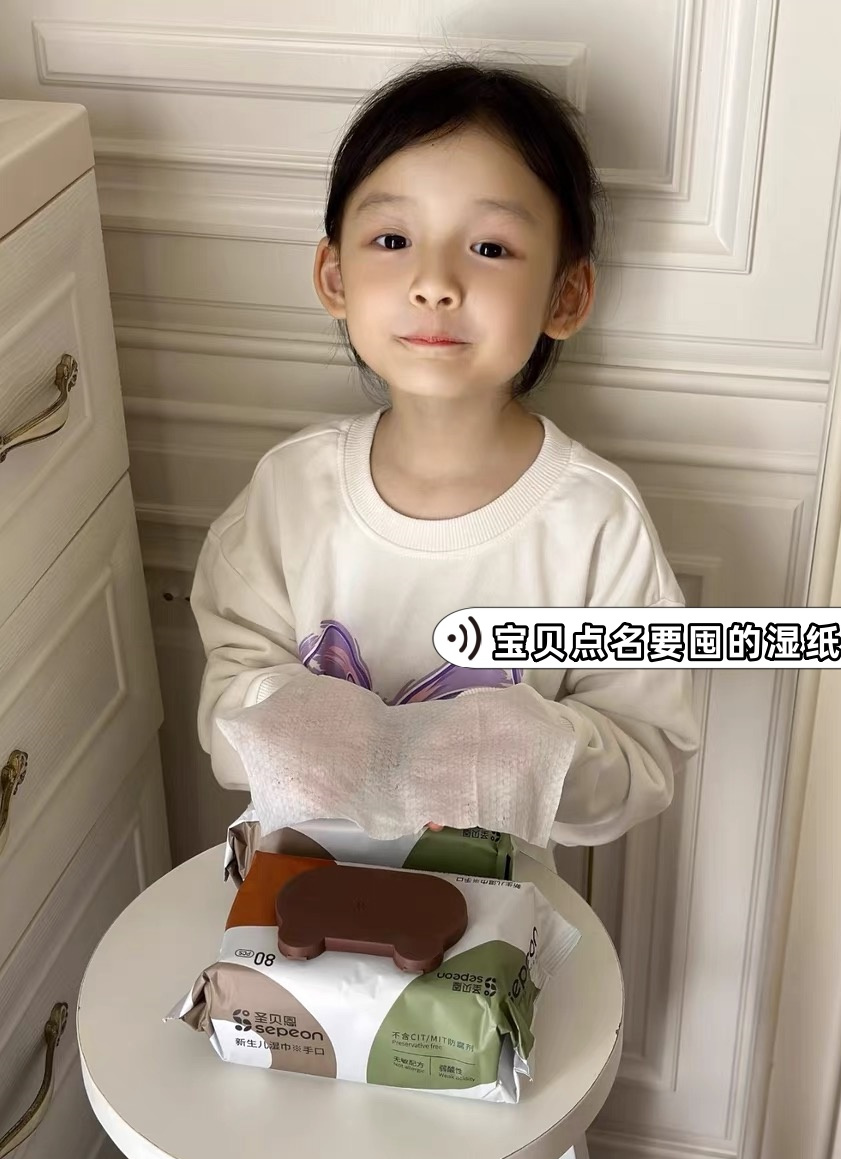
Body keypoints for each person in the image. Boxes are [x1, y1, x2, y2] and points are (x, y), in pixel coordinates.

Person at [191, 56, 700, 863]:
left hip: (496, 916)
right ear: (334, 274)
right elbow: (229, 701)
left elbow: (645, 757)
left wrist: (526, 750)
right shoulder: (289, 491)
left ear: (565, 296)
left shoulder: (595, 522)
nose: (434, 282)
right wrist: (296, 719)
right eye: (393, 240)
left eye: (490, 247)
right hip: (300, 891)